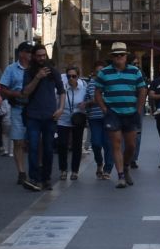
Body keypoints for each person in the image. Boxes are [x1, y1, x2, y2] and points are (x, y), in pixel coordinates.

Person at [92, 43, 146, 187]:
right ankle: (121, 176)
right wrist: (104, 109)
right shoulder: (104, 72)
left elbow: (142, 90)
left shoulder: (135, 71)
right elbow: (97, 92)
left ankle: (126, 165)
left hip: (130, 112)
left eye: (121, 55)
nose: (119, 58)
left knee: (131, 146)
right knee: (116, 145)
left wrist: (139, 110)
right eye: (116, 55)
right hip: (113, 113)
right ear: (112, 57)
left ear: (126, 56)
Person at [22, 45, 62, 191]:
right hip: (33, 116)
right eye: (39, 56)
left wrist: (61, 108)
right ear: (33, 57)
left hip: (50, 116)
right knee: (32, 146)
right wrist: (37, 77)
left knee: (48, 149)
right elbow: (25, 92)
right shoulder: (29, 73)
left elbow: (62, 91)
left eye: (44, 55)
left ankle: (46, 178)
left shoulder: (53, 72)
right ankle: (34, 178)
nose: (42, 58)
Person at [0, 41, 36, 185]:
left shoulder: (35, 69)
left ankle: (36, 169)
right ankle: (21, 172)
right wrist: (15, 94)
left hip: (33, 109)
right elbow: (2, 89)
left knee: (35, 141)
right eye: (28, 52)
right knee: (18, 141)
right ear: (21, 53)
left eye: (31, 52)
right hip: (18, 108)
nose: (30, 54)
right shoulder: (11, 69)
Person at [84, 59, 113, 179]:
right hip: (94, 118)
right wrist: (89, 103)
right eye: (97, 72)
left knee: (107, 144)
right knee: (96, 143)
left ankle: (107, 170)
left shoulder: (110, 83)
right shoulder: (90, 84)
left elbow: (111, 99)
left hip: (108, 117)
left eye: (101, 71)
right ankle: (99, 163)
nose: (99, 74)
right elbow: (86, 100)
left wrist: (94, 100)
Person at [62, 64, 90, 181]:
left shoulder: (84, 87)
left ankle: (74, 171)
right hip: (63, 117)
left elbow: (89, 99)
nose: (71, 79)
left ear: (78, 76)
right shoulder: (62, 87)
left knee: (77, 145)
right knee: (62, 145)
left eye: (74, 76)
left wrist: (85, 104)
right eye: (69, 76)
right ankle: (63, 170)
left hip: (78, 117)